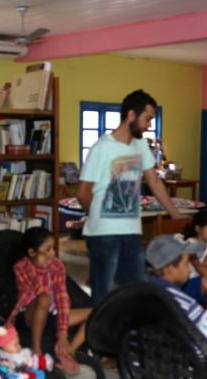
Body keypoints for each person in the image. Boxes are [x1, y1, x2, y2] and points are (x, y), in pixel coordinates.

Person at [77, 89, 182, 306]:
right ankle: (99, 337)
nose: (149, 125)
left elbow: (154, 181)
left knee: (138, 289)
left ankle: (132, 336)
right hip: (104, 233)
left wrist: (175, 213)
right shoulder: (102, 148)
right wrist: (98, 219)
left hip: (132, 231)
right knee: (103, 293)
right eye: (147, 119)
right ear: (131, 115)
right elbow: (83, 192)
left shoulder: (140, 145)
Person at [6, 227, 90, 376]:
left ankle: (69, 350)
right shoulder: (21, 267)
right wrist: (43, 267)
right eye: (48, 249)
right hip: (30, 314)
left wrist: (62, 334)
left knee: (94, 313)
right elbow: (36, 292)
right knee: (44, 298)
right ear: (32, 253)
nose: (53, 254)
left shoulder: (57, 265)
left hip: (52, 314)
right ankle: (37, 351)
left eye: (53, 248)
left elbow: (62, 297)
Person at [145, 234, 205, 323]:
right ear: (169, 269)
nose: (189, 267)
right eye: (186, 263)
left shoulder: (136, 292)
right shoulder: (187, 306)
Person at [182, 209, 207, 303]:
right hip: (187, 280)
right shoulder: (190, 244)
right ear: (198, 229)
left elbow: (206, 265)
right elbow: (197, 266)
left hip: (201, 275)